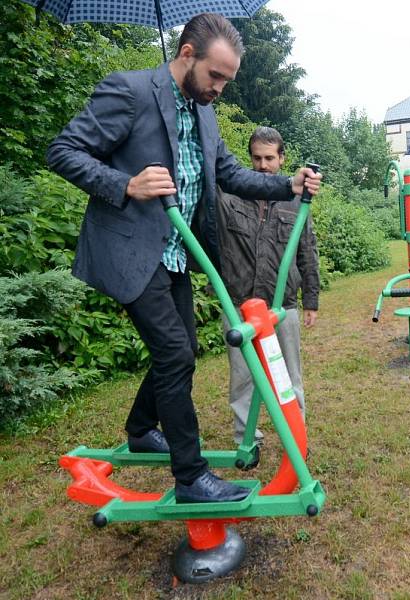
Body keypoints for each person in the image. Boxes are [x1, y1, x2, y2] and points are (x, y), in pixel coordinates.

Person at [46, 13, 322, 504]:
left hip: (175, 253)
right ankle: (192, 478)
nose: (219, 88)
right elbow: (64, 150)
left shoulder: (204, 112)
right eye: (215, 76)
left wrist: (288, 184)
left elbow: (232, 175)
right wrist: (125, 184)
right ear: (187, 54)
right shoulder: (129, 91)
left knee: (185, 349)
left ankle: (138, 427)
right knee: (174, 355)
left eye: (227, 80)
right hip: (131, 251)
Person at [216, 127, 319, 464]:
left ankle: (296, 436)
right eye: (257, 158)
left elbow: (307, 250)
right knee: (243, 377)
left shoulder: (296, 199)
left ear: (282, 159)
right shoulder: (229, 195)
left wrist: (311, 300)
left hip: (282, 304)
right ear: (250, 158)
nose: (263, 165)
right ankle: (247, 441)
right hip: (239, 304)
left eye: (270, 158)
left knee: (289, 375)